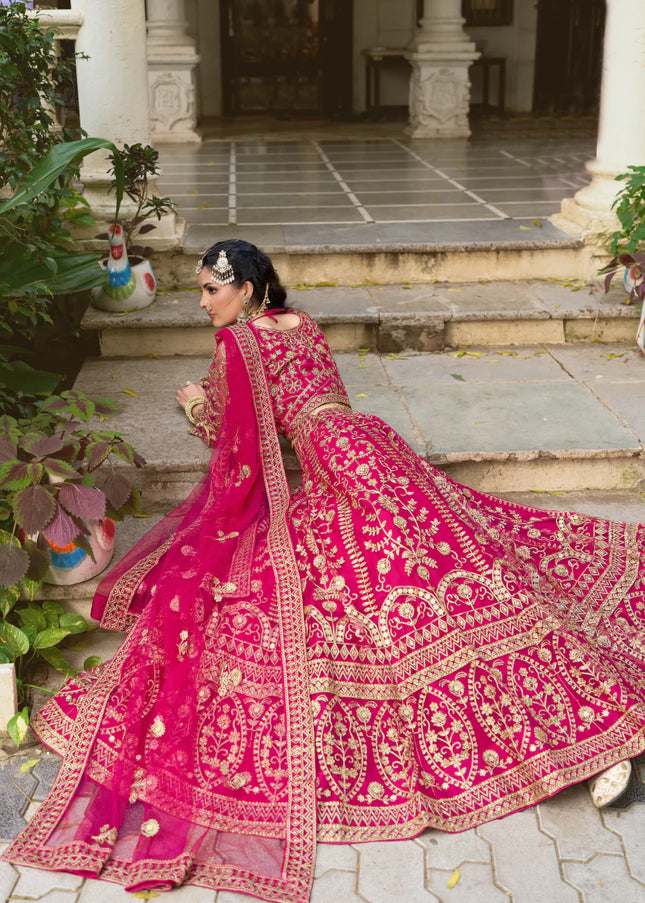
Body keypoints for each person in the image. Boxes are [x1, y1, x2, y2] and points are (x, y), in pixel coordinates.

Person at [4, 239, 645, 902]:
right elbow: (318, 394)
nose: (201, 303)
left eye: (209, 290)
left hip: (333, 468)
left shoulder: (236, 347)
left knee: (398, 585)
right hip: (373, 443)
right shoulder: (302, 323)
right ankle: (598, 726)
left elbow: (235, 439)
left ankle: (589, 737)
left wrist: (197, 402)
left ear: (246, 290)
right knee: (467, 571)